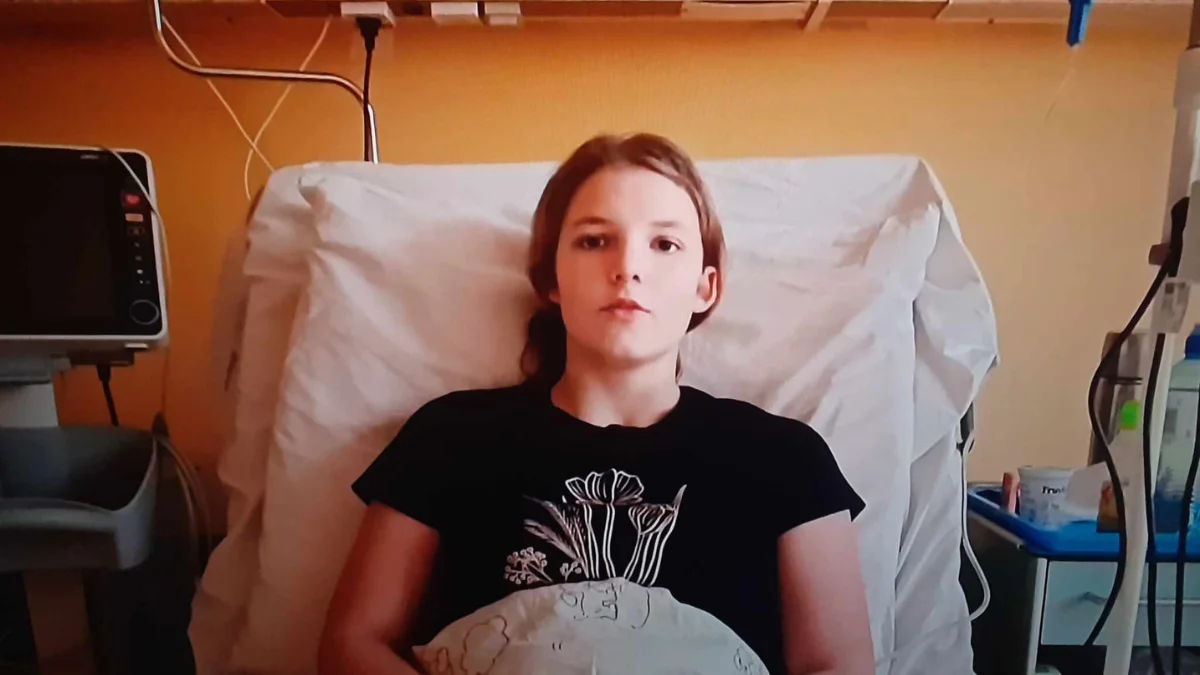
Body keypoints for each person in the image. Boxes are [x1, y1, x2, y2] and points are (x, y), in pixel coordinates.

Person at [319, 133, 874, 675]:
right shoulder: (448, 437)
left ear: (705, 287)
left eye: (665, 244)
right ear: (552, 278)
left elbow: (838, 665)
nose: (627, 267)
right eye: (594, 240)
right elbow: (352, 645)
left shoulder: (786, 459)